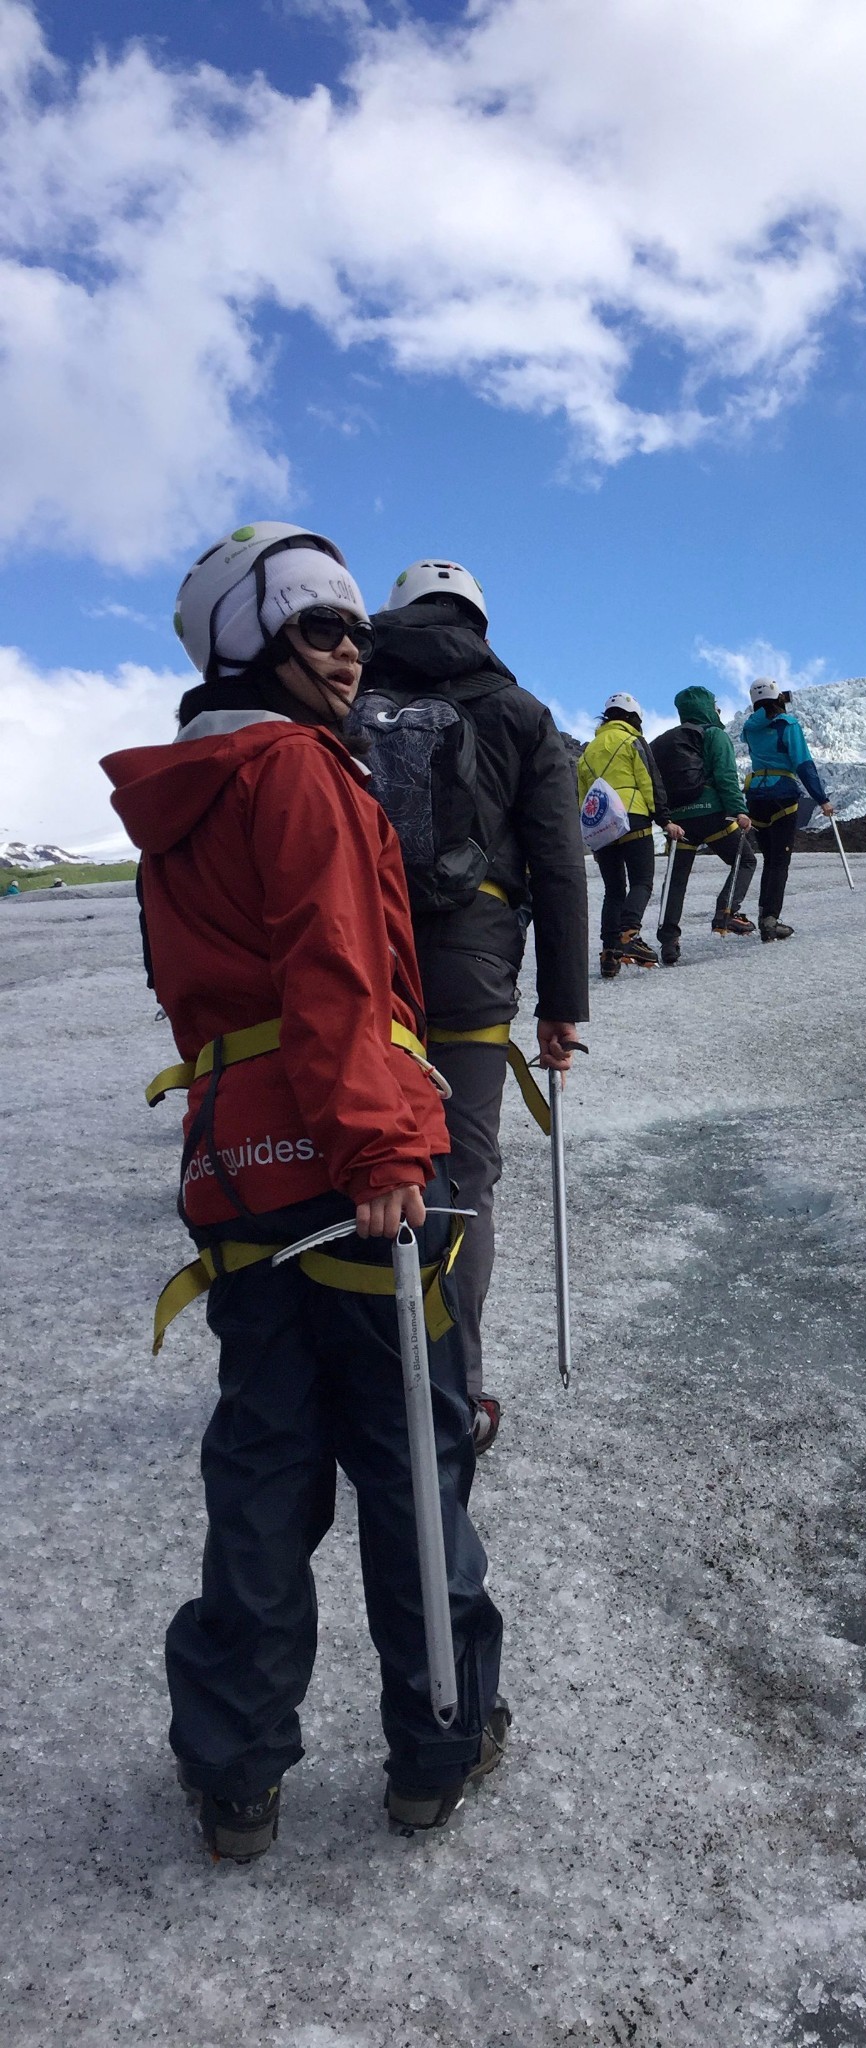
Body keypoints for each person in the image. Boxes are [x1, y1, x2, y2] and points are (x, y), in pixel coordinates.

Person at [102, 522, 513, 1861]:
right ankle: (436, 1745)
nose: (352, 652)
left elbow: (199, 994)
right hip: (355, 1167)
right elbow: (339, 973)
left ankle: (234, 1769)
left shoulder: (186, 794)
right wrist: (387, 1150)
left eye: (355, 629)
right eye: (319, 629)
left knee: (267, 1461)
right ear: (251, 640)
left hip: (237, 1166)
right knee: (409, 1455)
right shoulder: (301, 775)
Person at [356, 558, 589, 1456]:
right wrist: (561, 1004)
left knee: (360, 1151)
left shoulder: (346, 694)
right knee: (460, 1174)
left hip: (355, 949)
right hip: (468, 958)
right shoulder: (523, 714)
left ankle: (347, 1376)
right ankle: (451, 1397)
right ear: (480, 623)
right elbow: (560, 863)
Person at [576, 692, 683, 977]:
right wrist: (664, 819)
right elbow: (649, 779)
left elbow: (583, 794)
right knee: (641, 882)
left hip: (602, 824)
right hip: (633, 817)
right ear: (634, 717)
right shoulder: (632, 740)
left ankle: (609, 954)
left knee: (613, 890)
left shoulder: (589, 750)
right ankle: (629, 934)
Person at [652, 685, 757, 964]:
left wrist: (665, 818)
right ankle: (726, 911)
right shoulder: (714, 734)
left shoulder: (666, 741)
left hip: (680, 821)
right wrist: (739, 810)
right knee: (745, 860)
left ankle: (669, 942)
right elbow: (725, 776)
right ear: (708, 707)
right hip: (712, 815)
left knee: (676, 880)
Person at [740, 678, 833, 941]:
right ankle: (770, 920)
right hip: (782, 794)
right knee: (779, 861)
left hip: (756, 796)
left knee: (769, 858)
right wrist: (822, 799)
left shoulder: (749, 728)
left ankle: (764, 915)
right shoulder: (787, 724)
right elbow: (803, 763)